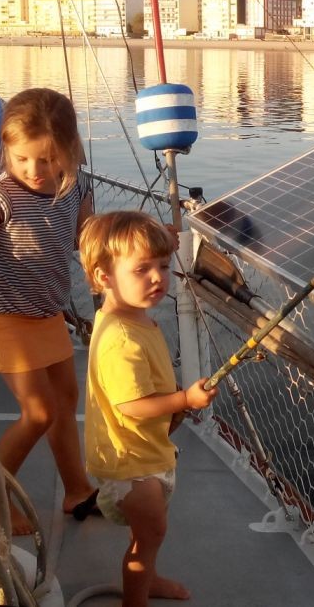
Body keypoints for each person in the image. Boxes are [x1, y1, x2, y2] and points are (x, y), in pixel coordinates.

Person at [0, 87, 97, 536]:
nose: (34, 170)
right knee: (38, 413)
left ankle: (77, 490)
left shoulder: (77, 186)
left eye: (47, 160)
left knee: (66, 401)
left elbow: (83, 240)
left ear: (69, 151)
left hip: (47, 312)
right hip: (4, 317)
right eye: (22, 158)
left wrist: (137, 237)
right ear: (7, 152)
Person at [79, 211, 217, 606]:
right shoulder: (121, 338)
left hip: (141, 453)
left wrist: (171, 395)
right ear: (104, 276)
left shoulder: (131, 317)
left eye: (162, 265)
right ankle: (136, 597)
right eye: (142, 269)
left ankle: (149, 579)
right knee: (149, 537)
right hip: (131, 463)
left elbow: (141, 386)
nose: (158, 277)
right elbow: (132, 405)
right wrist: (183, 400)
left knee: (145, 534)